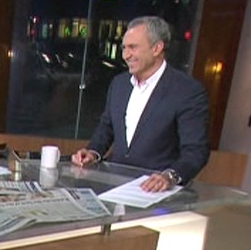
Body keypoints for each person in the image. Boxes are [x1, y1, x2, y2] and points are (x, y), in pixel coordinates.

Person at [71, 16, 209, 192]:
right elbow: (107, 127)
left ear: (157, 48)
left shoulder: (187, 91)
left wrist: (170, 176)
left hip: (156, 192)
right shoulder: (119, 84)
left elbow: (196, 150)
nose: (125, 55)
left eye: (133, 47)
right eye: (124, 48)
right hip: (114, 186)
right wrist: (93, 152)